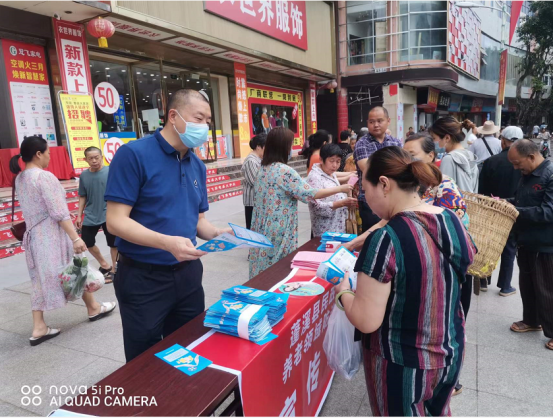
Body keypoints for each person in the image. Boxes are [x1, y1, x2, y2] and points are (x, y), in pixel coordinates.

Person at [336, 146, 476, 416]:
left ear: (384, 184)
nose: (365, 198)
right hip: (451, 350)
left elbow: (366, 320)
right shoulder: (451, 219)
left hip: (403, 362)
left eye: (364, 189)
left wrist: (344, 292)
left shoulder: (385, 238)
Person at [105, 89, 232, 362]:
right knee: (145, 357)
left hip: (188, 274)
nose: (204, 126)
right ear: (173, 116)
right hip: (143, 277)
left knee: (190, 347)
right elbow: (115, 221)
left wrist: (218, 233)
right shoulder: (134, 155)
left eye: (208, 121)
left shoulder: (196, 165)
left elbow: (198, 222)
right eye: (198, 118)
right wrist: (166, 242)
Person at [9, 136, 116, 346]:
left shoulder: (20, 178)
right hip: (52, 236)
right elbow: (58, 212)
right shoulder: (44, 177)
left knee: (42, 279)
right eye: (47, 153)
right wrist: (75, 237)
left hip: (34, 238)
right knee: (74, 268)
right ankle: (92, 308)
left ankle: (43, 324)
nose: (49, 157)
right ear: (38, 154)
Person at [248, 128, 353, 278]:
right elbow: (311, 193)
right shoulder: (285, 171)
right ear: (283, 147)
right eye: (290, 145)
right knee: (278, 268)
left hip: (261, 226)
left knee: (262, 267)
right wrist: (340, 188)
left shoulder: (263, 168)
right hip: (279, 228)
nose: (291, 149)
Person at [507, 139, 553, 351]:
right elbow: (521, 201)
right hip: (526, 240)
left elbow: (548, 212)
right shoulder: (527, 174)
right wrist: (506, 203)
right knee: (528, 285)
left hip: (545, 243)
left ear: (532, 157)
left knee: (547, 289)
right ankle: (532, 321)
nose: (516, 168)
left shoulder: (550, 175)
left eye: (517, 163)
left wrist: (515, 211)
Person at [478, 126, 523, 296]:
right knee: (509, 248)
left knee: (487, 244)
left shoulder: (491, 161)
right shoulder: (523, 163)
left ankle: (483, 280)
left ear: (503, 141)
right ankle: (505, 286)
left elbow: (482, 190)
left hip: (492, 209)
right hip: (513, 210)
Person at [354, 106, 402, 233]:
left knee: (394, 235)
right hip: (370, 201)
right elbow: (369, 169)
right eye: (372, 121)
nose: (376, 125)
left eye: (380, 121)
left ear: (388, 121)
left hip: (394, 199)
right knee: (372, 236)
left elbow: (403, 168)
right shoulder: (362, 144)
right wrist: (394, 167)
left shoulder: (396, 143)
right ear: (367, 123)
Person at [76, 147, 118, 284]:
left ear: (102, 157)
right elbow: (82, 196)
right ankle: (105, 265)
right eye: (91, 158)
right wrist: (79, 215)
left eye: (96, 157)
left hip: (109, 213)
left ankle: (115, 270)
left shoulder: (111, 171)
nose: (94, 161)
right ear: (85, 160)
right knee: (87, 242)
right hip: (91, 214)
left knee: (113, 244)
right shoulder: (84, 175)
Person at [306, 143, 358, 237]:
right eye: (331, 161)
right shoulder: (314, 177)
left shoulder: (329, 172)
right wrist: (342, 203)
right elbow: (317, 208)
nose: (335, 165)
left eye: (338, 161)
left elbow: (338, 177)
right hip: (326, 232)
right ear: (321, 160)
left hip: (338, 228)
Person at [429, 116, 479, 193]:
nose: (433, 142)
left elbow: (444, 192)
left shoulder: (449, 159)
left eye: (434, 138)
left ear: (447, 138)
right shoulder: (470, 155)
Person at [241, 133, 266, 230]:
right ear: (258, 147)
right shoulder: (251, 161)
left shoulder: (258, 159)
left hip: (257, 201)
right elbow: (255, 182)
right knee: (252, 230)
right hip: (252, 202)